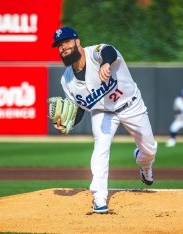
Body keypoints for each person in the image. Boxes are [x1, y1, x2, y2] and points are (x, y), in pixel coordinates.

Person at [51, 26, 157, 213]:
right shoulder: (66, 81)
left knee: (149, 149)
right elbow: (80, 108)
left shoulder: (96, 54)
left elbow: (110, 51)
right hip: (102, 112)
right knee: (101, 147)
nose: (63, 47)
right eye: (59, 45)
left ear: (77, 41)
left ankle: (144, 164)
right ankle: (99, 197)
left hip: (130, 104)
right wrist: (67, 123)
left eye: (66, 41)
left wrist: (106, 63)